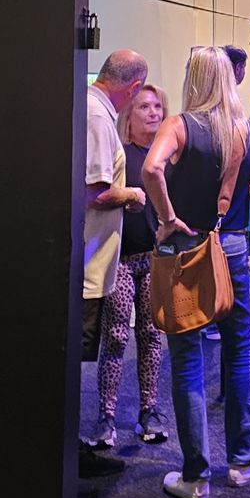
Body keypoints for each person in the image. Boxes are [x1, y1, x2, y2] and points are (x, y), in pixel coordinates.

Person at [142, 47, 250, 498]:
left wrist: (166, 216)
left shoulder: (178, 125)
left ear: (193, 79)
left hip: (185, 248)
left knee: (187, 358)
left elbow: (151, 168)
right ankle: (243, 463)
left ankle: (195, 477)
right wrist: (243, 188)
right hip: (233, 248)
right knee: (239, 352)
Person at [86, 84, 169, 451]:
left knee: (152, 335)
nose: (153, 113)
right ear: (129, 114)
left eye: (157, 106)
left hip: (155, 258)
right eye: (144, 106)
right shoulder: (121, 153)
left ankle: (150, 411)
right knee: (117, 337)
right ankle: (105, 415)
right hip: (120, 257)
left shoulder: (168, 159)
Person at [80, 49, 148, 479]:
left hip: (94, 261)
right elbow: (95, 191)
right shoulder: (97, 116)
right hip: (87, 264)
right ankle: (70, 461)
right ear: (133, 87)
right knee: (77, 361)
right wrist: (135, 195)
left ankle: (74, 454)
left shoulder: (93, 109)